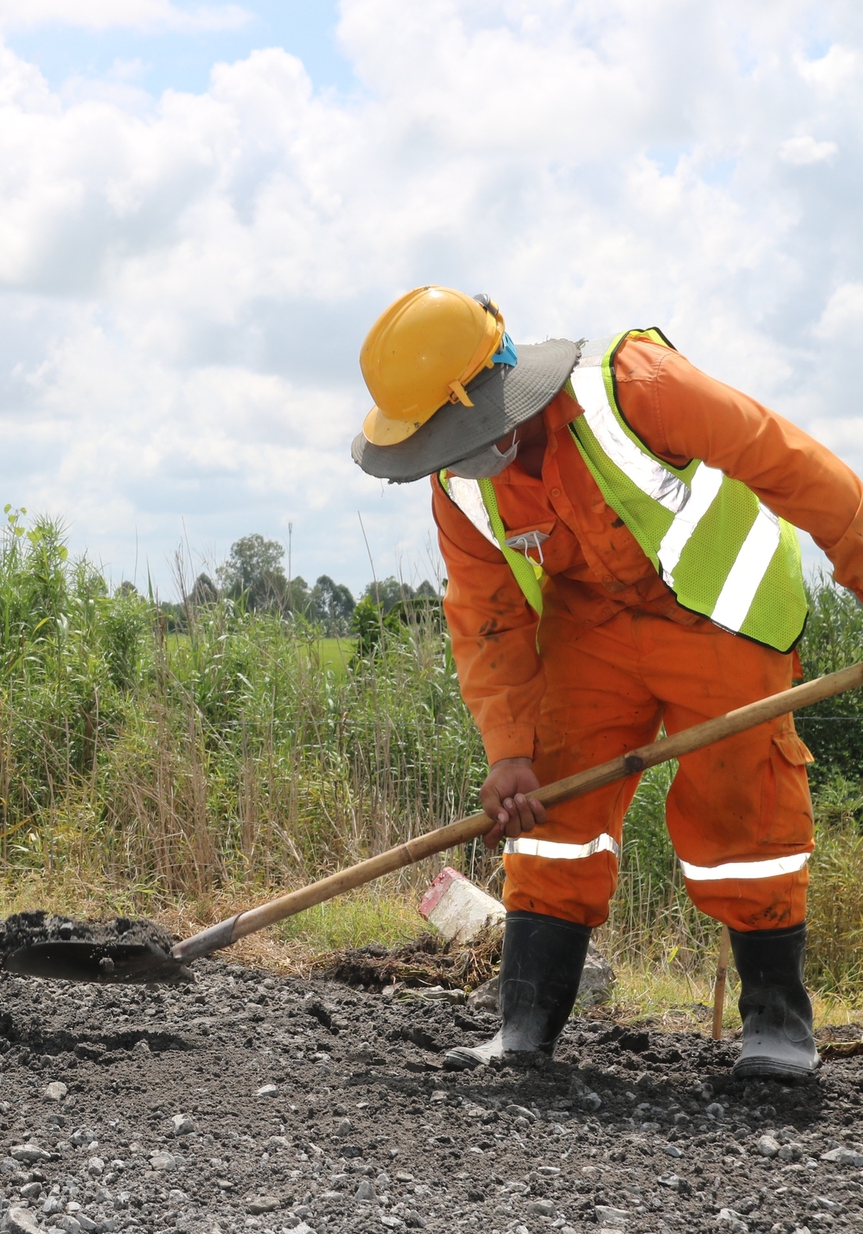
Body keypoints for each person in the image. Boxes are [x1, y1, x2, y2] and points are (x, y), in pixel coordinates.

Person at [350, 286, 863, 1081]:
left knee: (744, 812)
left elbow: (791, 465)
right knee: (551, 804)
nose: (443, 457)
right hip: (588, 627)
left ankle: (778, 1026)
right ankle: (523, 1027)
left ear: (494, 396)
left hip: (719, 613)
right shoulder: (458, 485)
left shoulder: (640, 388)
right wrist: (508, 751)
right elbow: (485, 617)